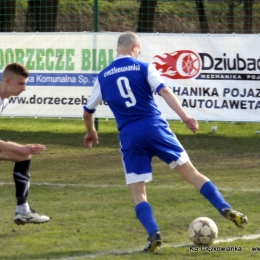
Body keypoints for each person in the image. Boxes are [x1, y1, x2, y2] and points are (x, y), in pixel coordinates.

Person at [82, 32, 248, 252]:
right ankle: (225, 208)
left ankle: (154, 233)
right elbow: (164, 90)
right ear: (134, 47)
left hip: (130, 135)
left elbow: (87, 112)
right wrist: (185, 116)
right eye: (138, 49)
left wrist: (91, 131)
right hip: (155, 127)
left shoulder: (103, 77)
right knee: (192, 174)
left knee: (138, 192)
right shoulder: (143, 67)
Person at [0, 62, 50, 225]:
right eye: (21, 83)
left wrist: (22, 149)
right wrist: (20, 147)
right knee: (22, 151)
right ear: (7, 81)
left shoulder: (4, 100)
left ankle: (23, 211)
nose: (24, 88)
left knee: (23, 155)